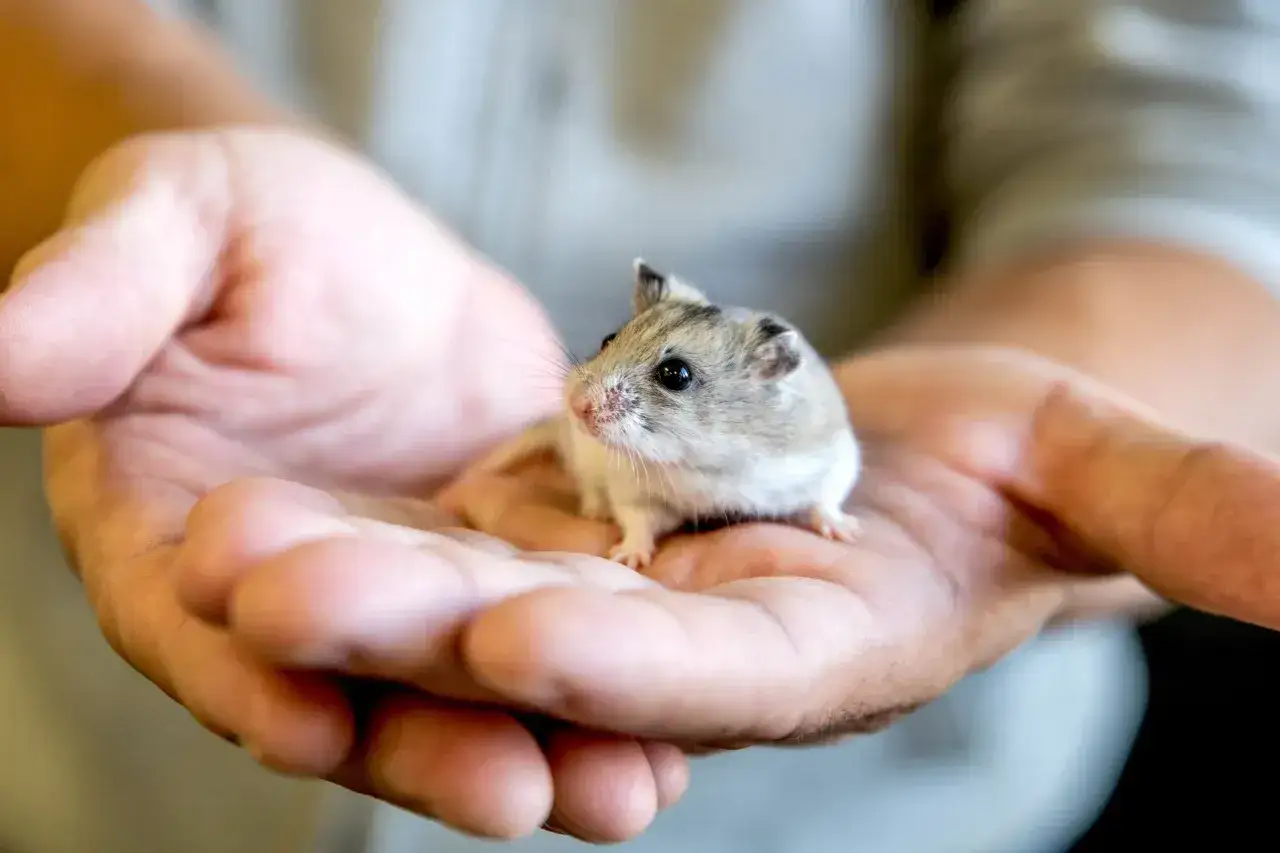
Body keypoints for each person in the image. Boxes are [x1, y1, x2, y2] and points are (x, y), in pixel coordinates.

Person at [2, 1, 1280, 852]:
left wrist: (898, 484)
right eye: (610, 361)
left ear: (764, 379)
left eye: (657, 380)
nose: (595, 392)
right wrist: (627, 518)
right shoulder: (610, 424)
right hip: (103, 784)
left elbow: (1201, 146)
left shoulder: (801, 433)